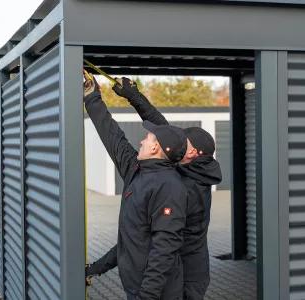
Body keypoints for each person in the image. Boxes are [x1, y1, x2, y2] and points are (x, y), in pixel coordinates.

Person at [112, 77, 222, 300]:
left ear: (191, 154)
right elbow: (163, 128)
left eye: (184, 143)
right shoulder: (187, 167)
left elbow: (160, 243)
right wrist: (133, 96)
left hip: (189, 277)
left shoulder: (189, 187)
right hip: (175, 269)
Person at [83, 73, 189, 300]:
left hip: (156, 294)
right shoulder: (137, 171)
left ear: (156, 149)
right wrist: (92, 97)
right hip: (136, 288)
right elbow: (114, 139)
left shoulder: (169, 187)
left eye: (148, 138)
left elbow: (164, 249)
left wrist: (146, 295)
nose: (142, 140)